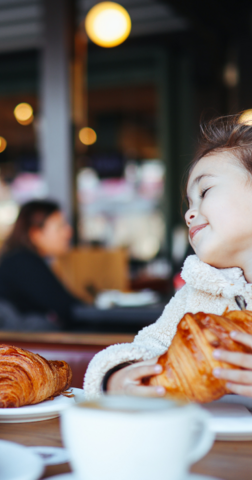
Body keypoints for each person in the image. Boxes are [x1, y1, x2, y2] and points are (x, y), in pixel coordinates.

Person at [84, 115, 252, 399]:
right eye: (189, 203)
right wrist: (115, 377)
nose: (189, 213)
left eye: (205, 191)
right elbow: (147, 346)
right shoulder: (196, 294)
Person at [0, 200, 82, 331]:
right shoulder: (22, 262)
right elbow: (67, 307)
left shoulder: (23, 260)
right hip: (9, 345)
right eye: (60, 227)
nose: (69, 232)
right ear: (35, 233)